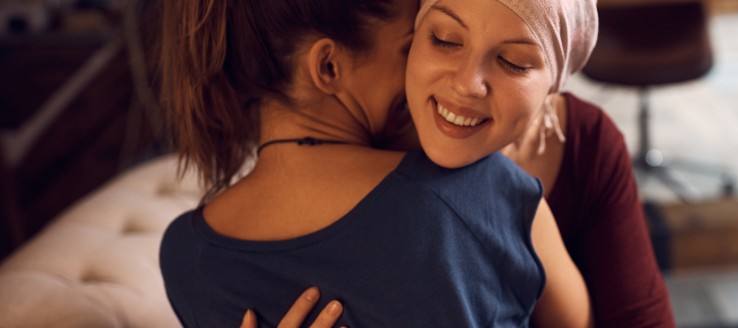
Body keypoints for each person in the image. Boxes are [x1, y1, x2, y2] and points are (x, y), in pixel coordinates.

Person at [156, 0, 591, 326]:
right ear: (328, 66)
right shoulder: (482, 192)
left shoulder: (185, 255)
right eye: (419, 45)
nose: (456, 84)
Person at [253, 0, 676, 326]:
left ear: (554, 85)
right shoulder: (361, 151)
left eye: (514, 62)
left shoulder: (587, 143)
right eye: (445, 40)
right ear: (413, 37)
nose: (466, 85)